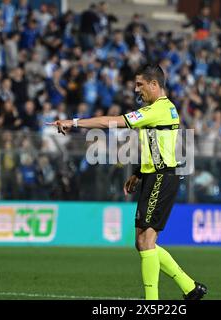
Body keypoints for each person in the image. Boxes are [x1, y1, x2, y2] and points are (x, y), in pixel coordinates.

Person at [48, 64, 207, 300]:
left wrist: (74, 122)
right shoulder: (158, 109)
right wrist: (138, 173)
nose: (136, 89)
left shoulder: (159, 109)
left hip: (162, 178)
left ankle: (152, 302)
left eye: (140, 84)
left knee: (147, 240)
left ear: (155, 85)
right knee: (142, 242)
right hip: (154, 175)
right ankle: (190, 288)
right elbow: (153, 144)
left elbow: (110, 122)